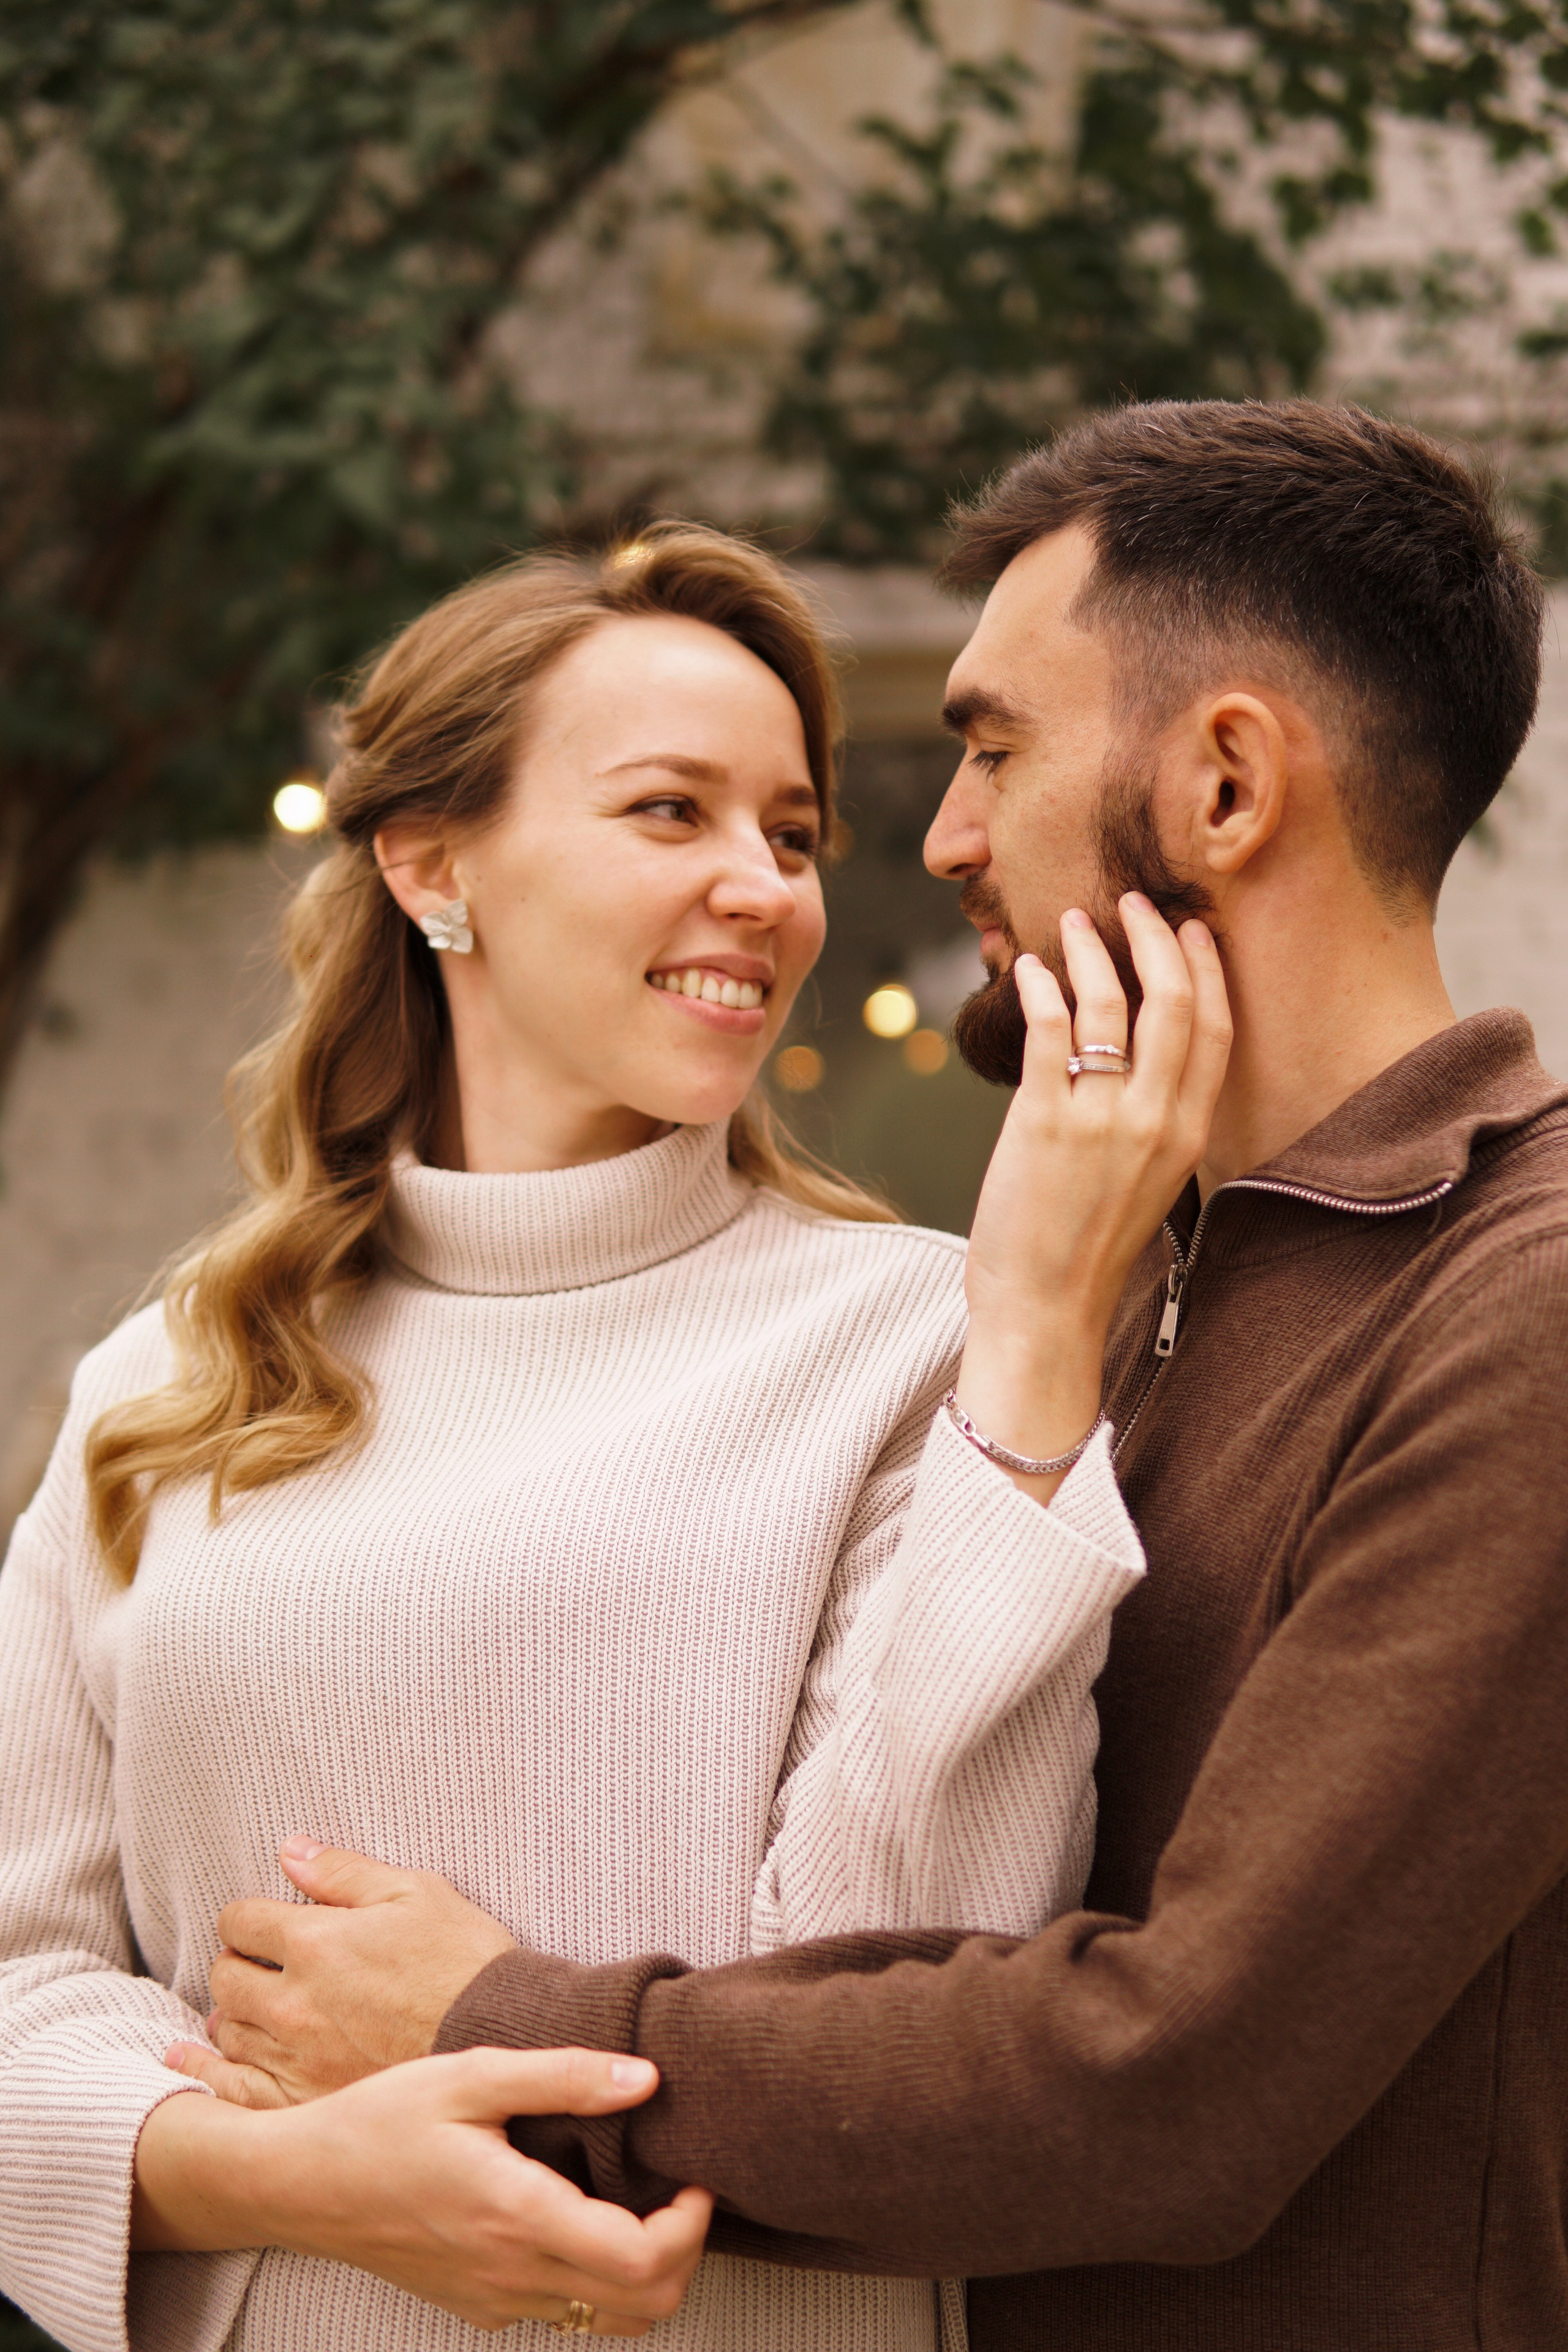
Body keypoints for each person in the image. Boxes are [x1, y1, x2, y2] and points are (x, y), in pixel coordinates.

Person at [187, 401, 1568, 2351]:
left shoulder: (1523, 1309)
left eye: (993, 748)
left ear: (1226, 785)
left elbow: (1177, 2086)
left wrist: (499, 2025)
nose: (943, 838)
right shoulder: (1117, 1286)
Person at [0, 523, 1226, 2350]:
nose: (766, 889)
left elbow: (922, 1973)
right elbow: (20, 1984)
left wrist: (1044, 1328)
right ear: (432, 866)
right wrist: (298, 2182)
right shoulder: (174, 1383)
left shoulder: (926, 1348)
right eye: (671, 812)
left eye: (792, 835)